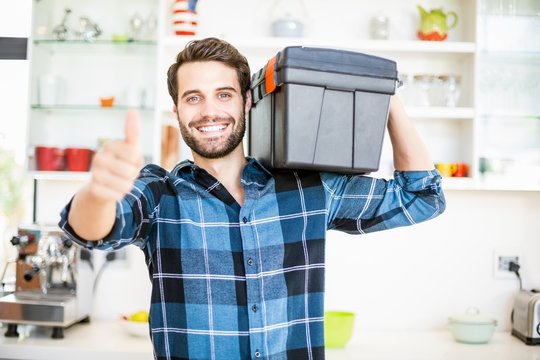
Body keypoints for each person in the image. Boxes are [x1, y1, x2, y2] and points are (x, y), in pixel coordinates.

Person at [59, 37, 445, 360]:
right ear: (176, 110)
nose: (210, 111)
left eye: (223, 95)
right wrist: (99, 192)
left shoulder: (308, 188)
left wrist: (385, 90)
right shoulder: (159, 194)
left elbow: (422, 196)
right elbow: (93, 231)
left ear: (246, 101)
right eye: (193, 98)